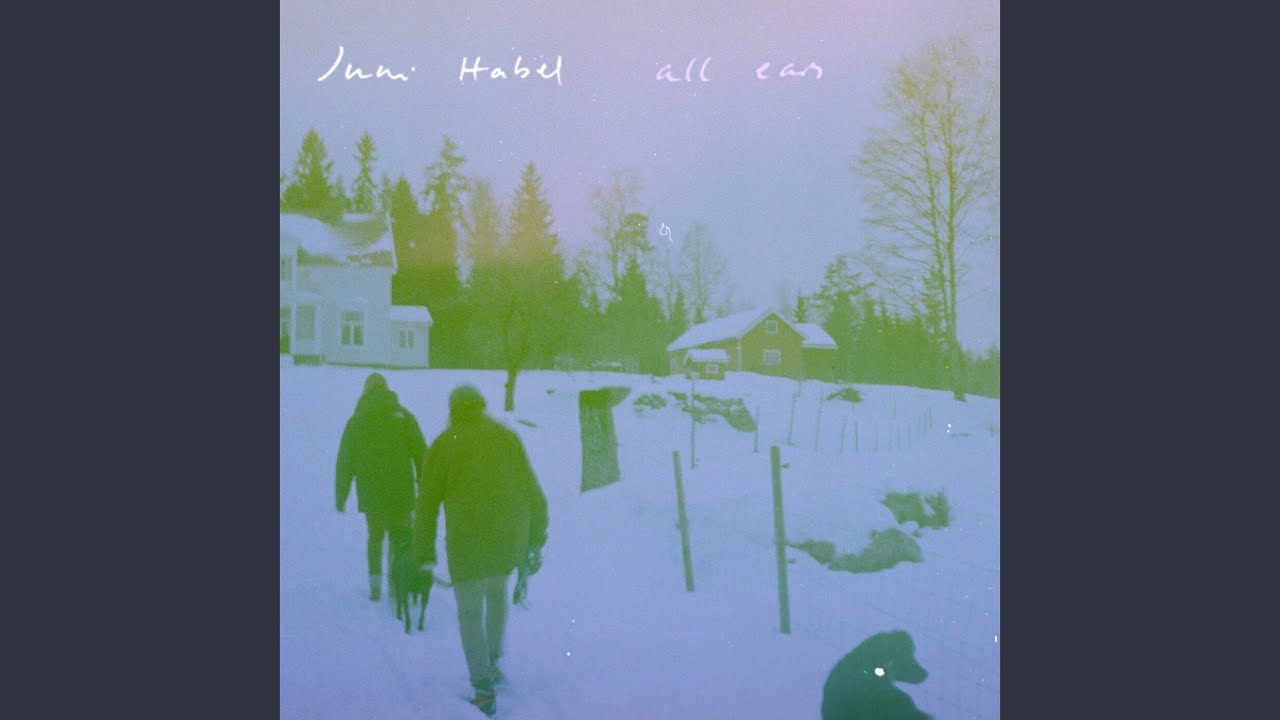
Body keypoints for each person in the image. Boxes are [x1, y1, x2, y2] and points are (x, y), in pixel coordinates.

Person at [414, 384, 549, 718]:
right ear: (481, 405)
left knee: (470, 613)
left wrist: (424, 553)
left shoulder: (443, 444)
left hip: (467, 542)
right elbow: (533, 491)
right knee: (498, 594)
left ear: (453, 409)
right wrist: (536, 537)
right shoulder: (506, 437)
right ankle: (493, 662)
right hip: (507, 539)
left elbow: (426, 505)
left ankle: (483, 688)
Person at [336, 372, 428, 601]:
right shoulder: (404, 417)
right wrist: (424, 485)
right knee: (400, 540)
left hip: (372, 494)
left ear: (365, 391)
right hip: (401, 493)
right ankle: (397, 587)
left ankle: (375, 588)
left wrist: (341, 495)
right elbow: (421, 454)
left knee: (375, 539)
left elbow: (345, 462)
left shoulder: (356, 421)